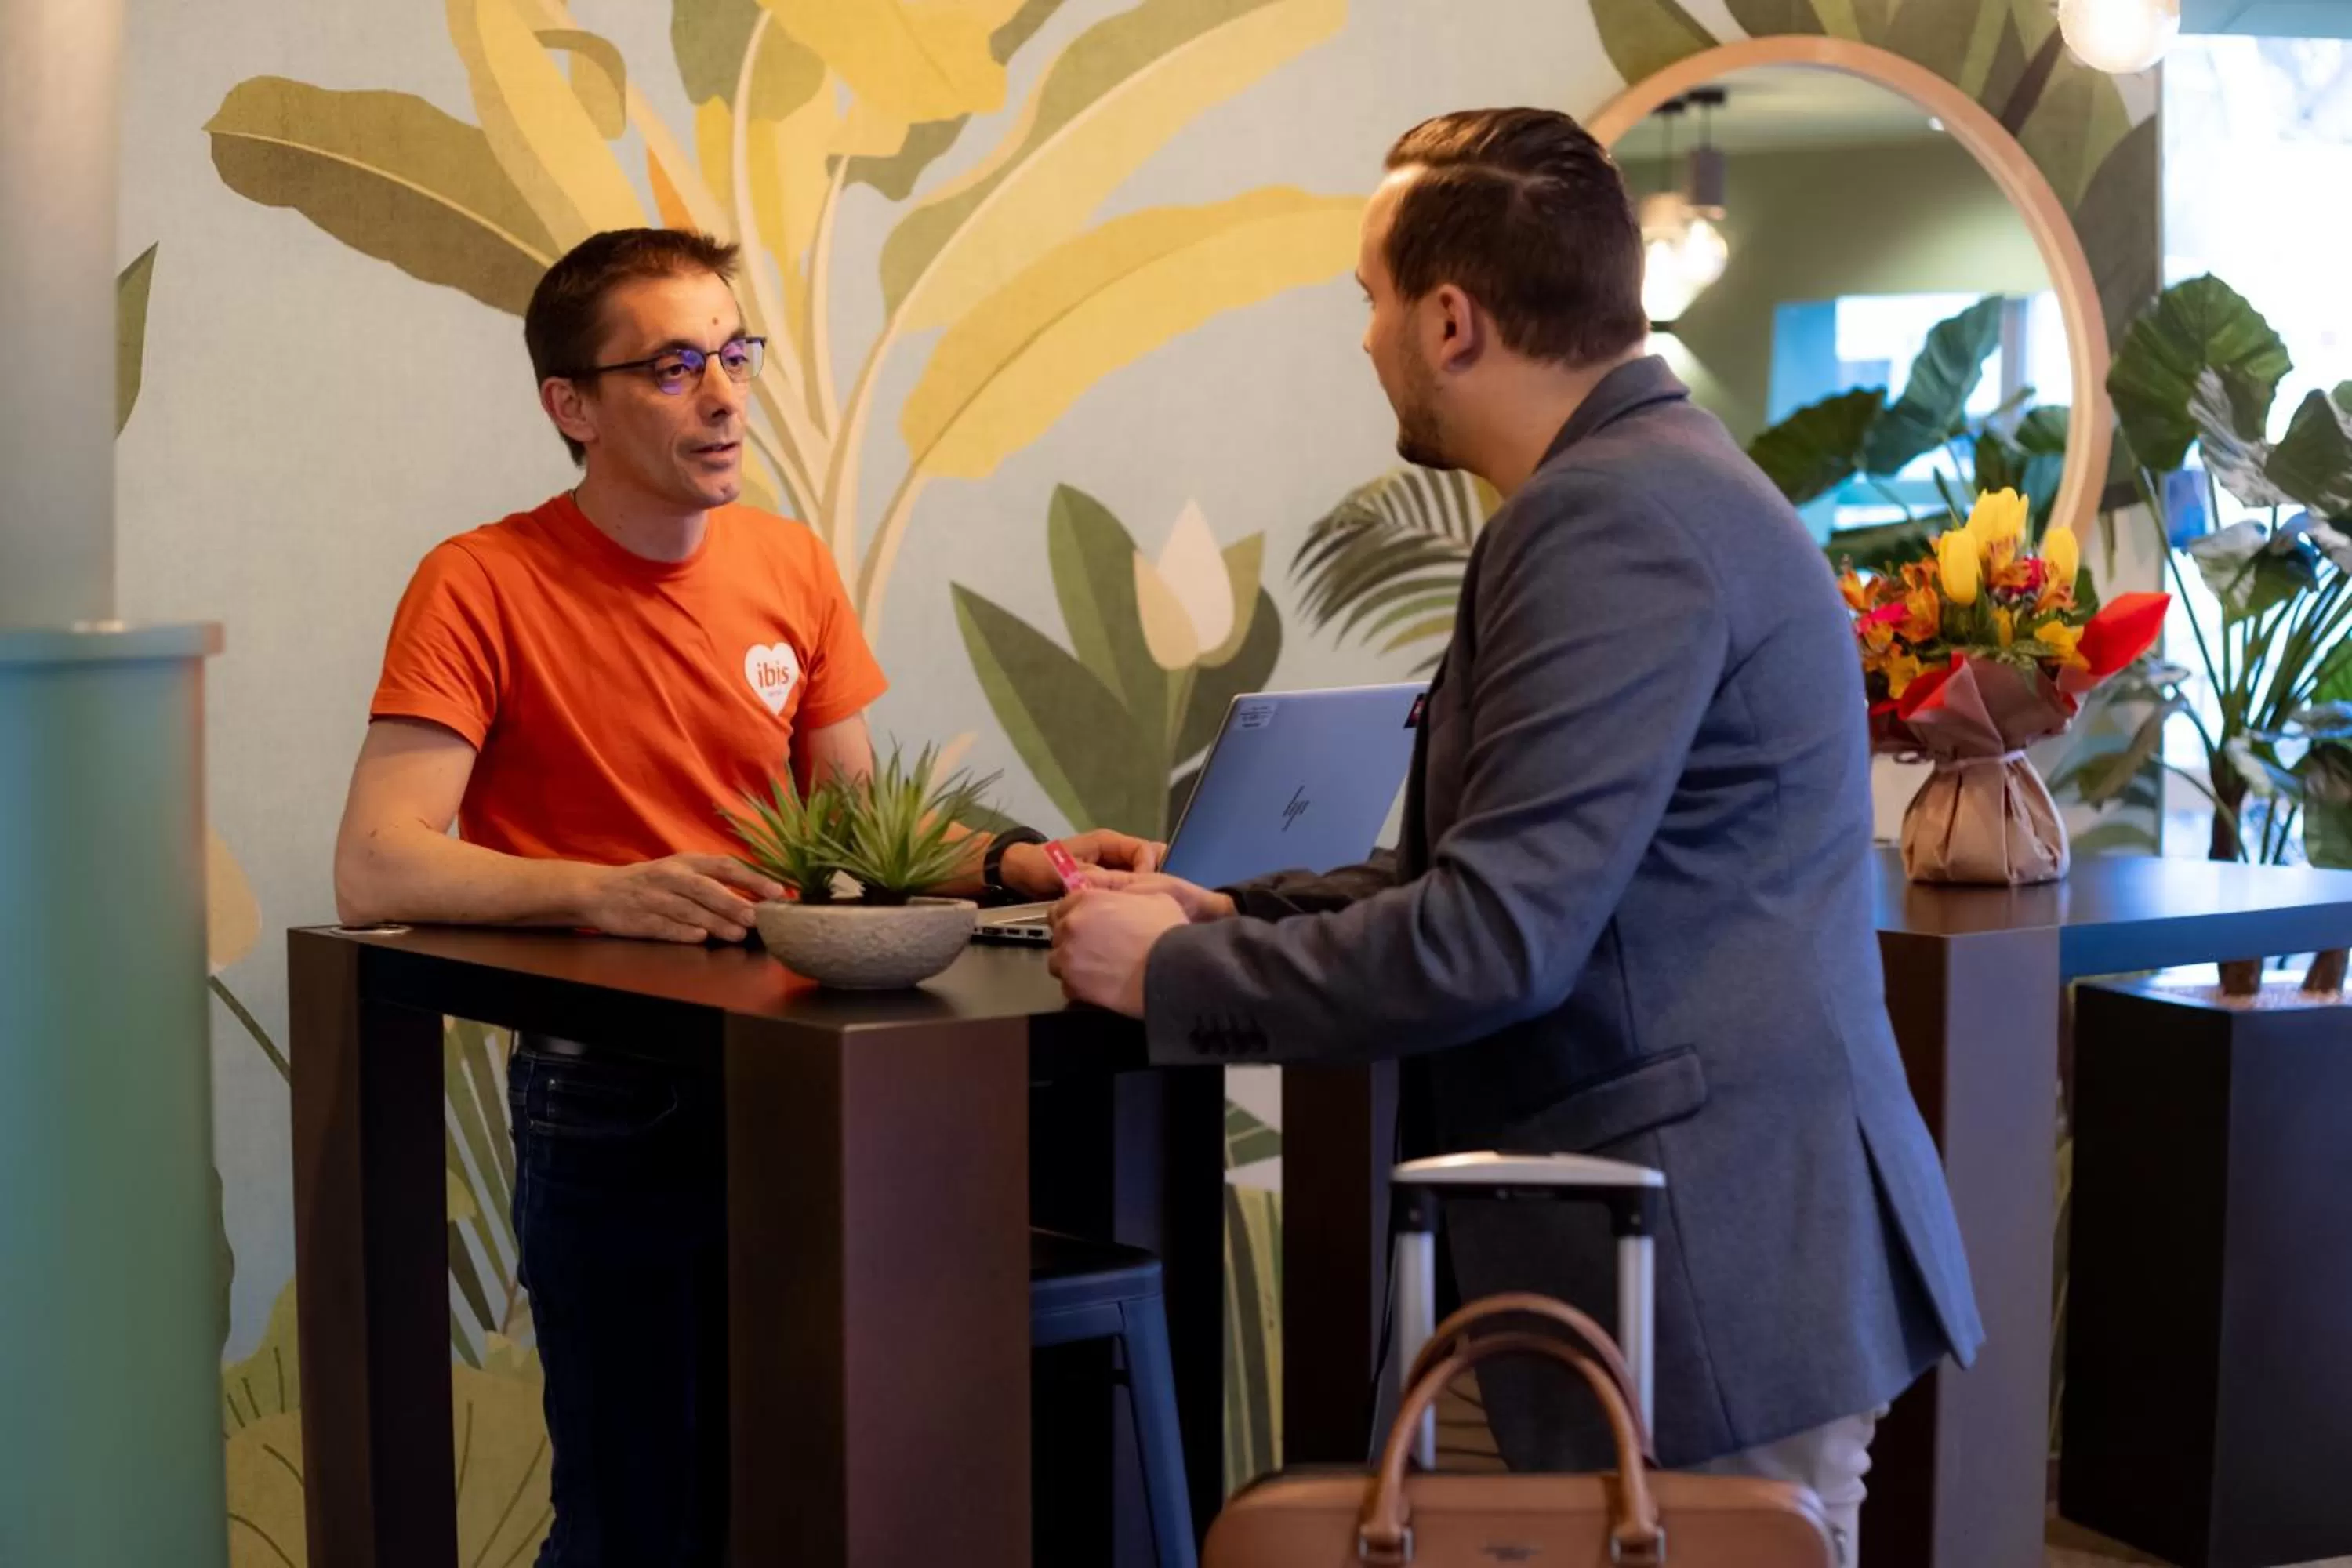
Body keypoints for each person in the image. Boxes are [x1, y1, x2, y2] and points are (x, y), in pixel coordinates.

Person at [1047, 108, 1981, 1563]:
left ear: (1450, 317)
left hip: (1699, 1261)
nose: (1363, 340)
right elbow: (1497, 872)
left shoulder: (1610, 522)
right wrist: (1227, 913)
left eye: (1368, 301)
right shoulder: (1643, 484)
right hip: (1719, 1234)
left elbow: (1499, 937)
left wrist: (1169, 983)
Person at [332, 227, 1158, 1565]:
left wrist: (1042, 865)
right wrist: (606, 894)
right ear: (571, 406)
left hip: (818, 1083)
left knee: (801, 1504)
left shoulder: (790, 565)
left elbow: (853, 836)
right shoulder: (478, 581)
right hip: (615, 1095)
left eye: (734, 355)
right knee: (634, 1523)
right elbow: (378, 860)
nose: (722, 396)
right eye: (671, 367)